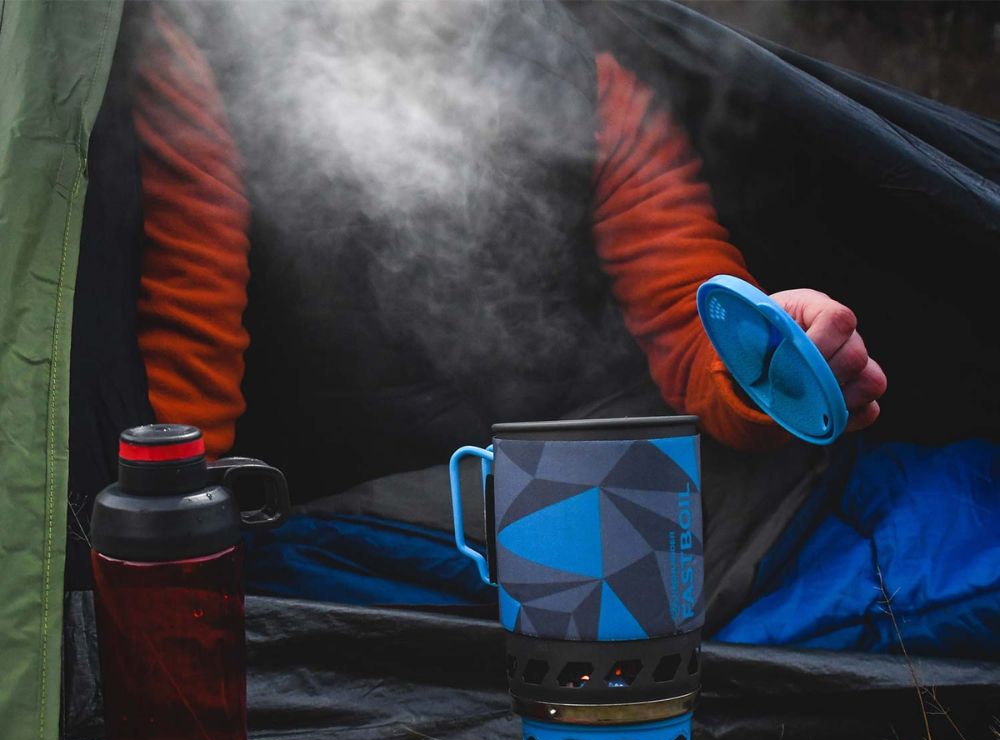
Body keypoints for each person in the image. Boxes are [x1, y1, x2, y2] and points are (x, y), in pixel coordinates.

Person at [128, 2, 885, 481]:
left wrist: (775, 359)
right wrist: (183, 525)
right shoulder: (204, 46)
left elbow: (691, 316)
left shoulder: (585, 75)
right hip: (328, 504)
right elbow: (187, 367)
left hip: (551, 470)